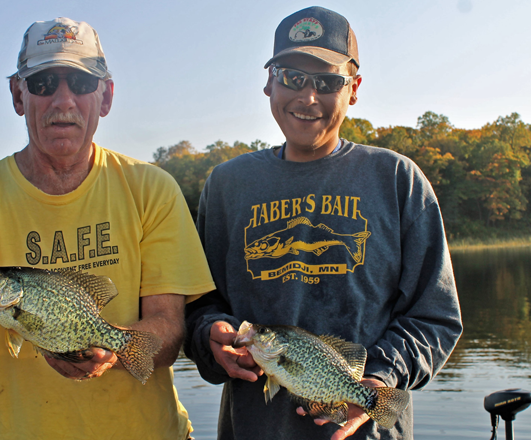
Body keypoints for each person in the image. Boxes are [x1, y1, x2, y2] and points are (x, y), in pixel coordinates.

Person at [0, 17, 215, 440]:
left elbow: (168, 332)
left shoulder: (151, 189)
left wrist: (112, 351)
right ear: (18, 95)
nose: (63, 100)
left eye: (80, 82)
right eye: (43, 83)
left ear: (106, 96)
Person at [184, 6, 462, 440]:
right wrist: (210, 338)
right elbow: (200, 305)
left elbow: (435, 316)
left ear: (354, 89)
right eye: (292, 77)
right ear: (269, 82)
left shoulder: (396, 179)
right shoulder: (226, 185)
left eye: (328, 82)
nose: (307, 97)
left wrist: (382, 376)